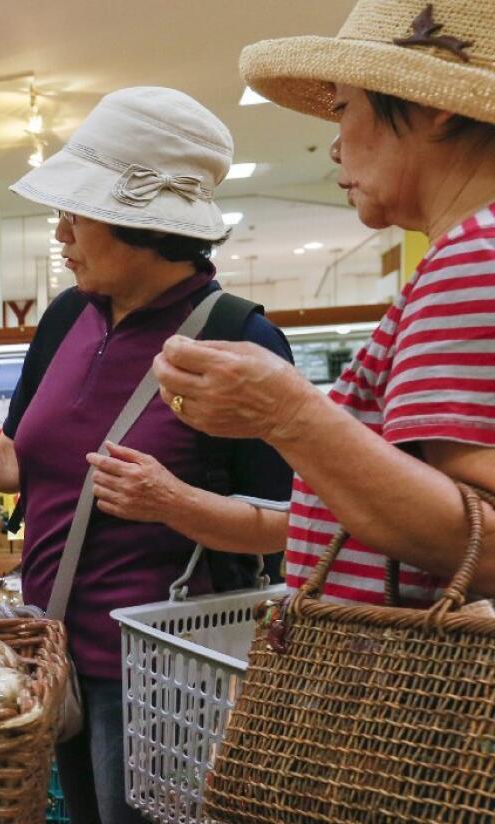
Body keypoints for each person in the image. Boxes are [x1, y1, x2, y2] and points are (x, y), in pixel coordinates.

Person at [0, 87, 294, 824]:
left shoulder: (238, 342)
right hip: (55, 652)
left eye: (76, 213)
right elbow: (15, 463)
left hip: (168, 674)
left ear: (140, 224)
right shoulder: (68, 316)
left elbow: (293, 524)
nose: (60, 232)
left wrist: (177, 504)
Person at [147, 0, 495, 606]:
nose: (335, 147)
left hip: (407, 690)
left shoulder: (473, 257)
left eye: (342, 108)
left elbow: (481, 548)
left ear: (435, 107)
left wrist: (289, 415)